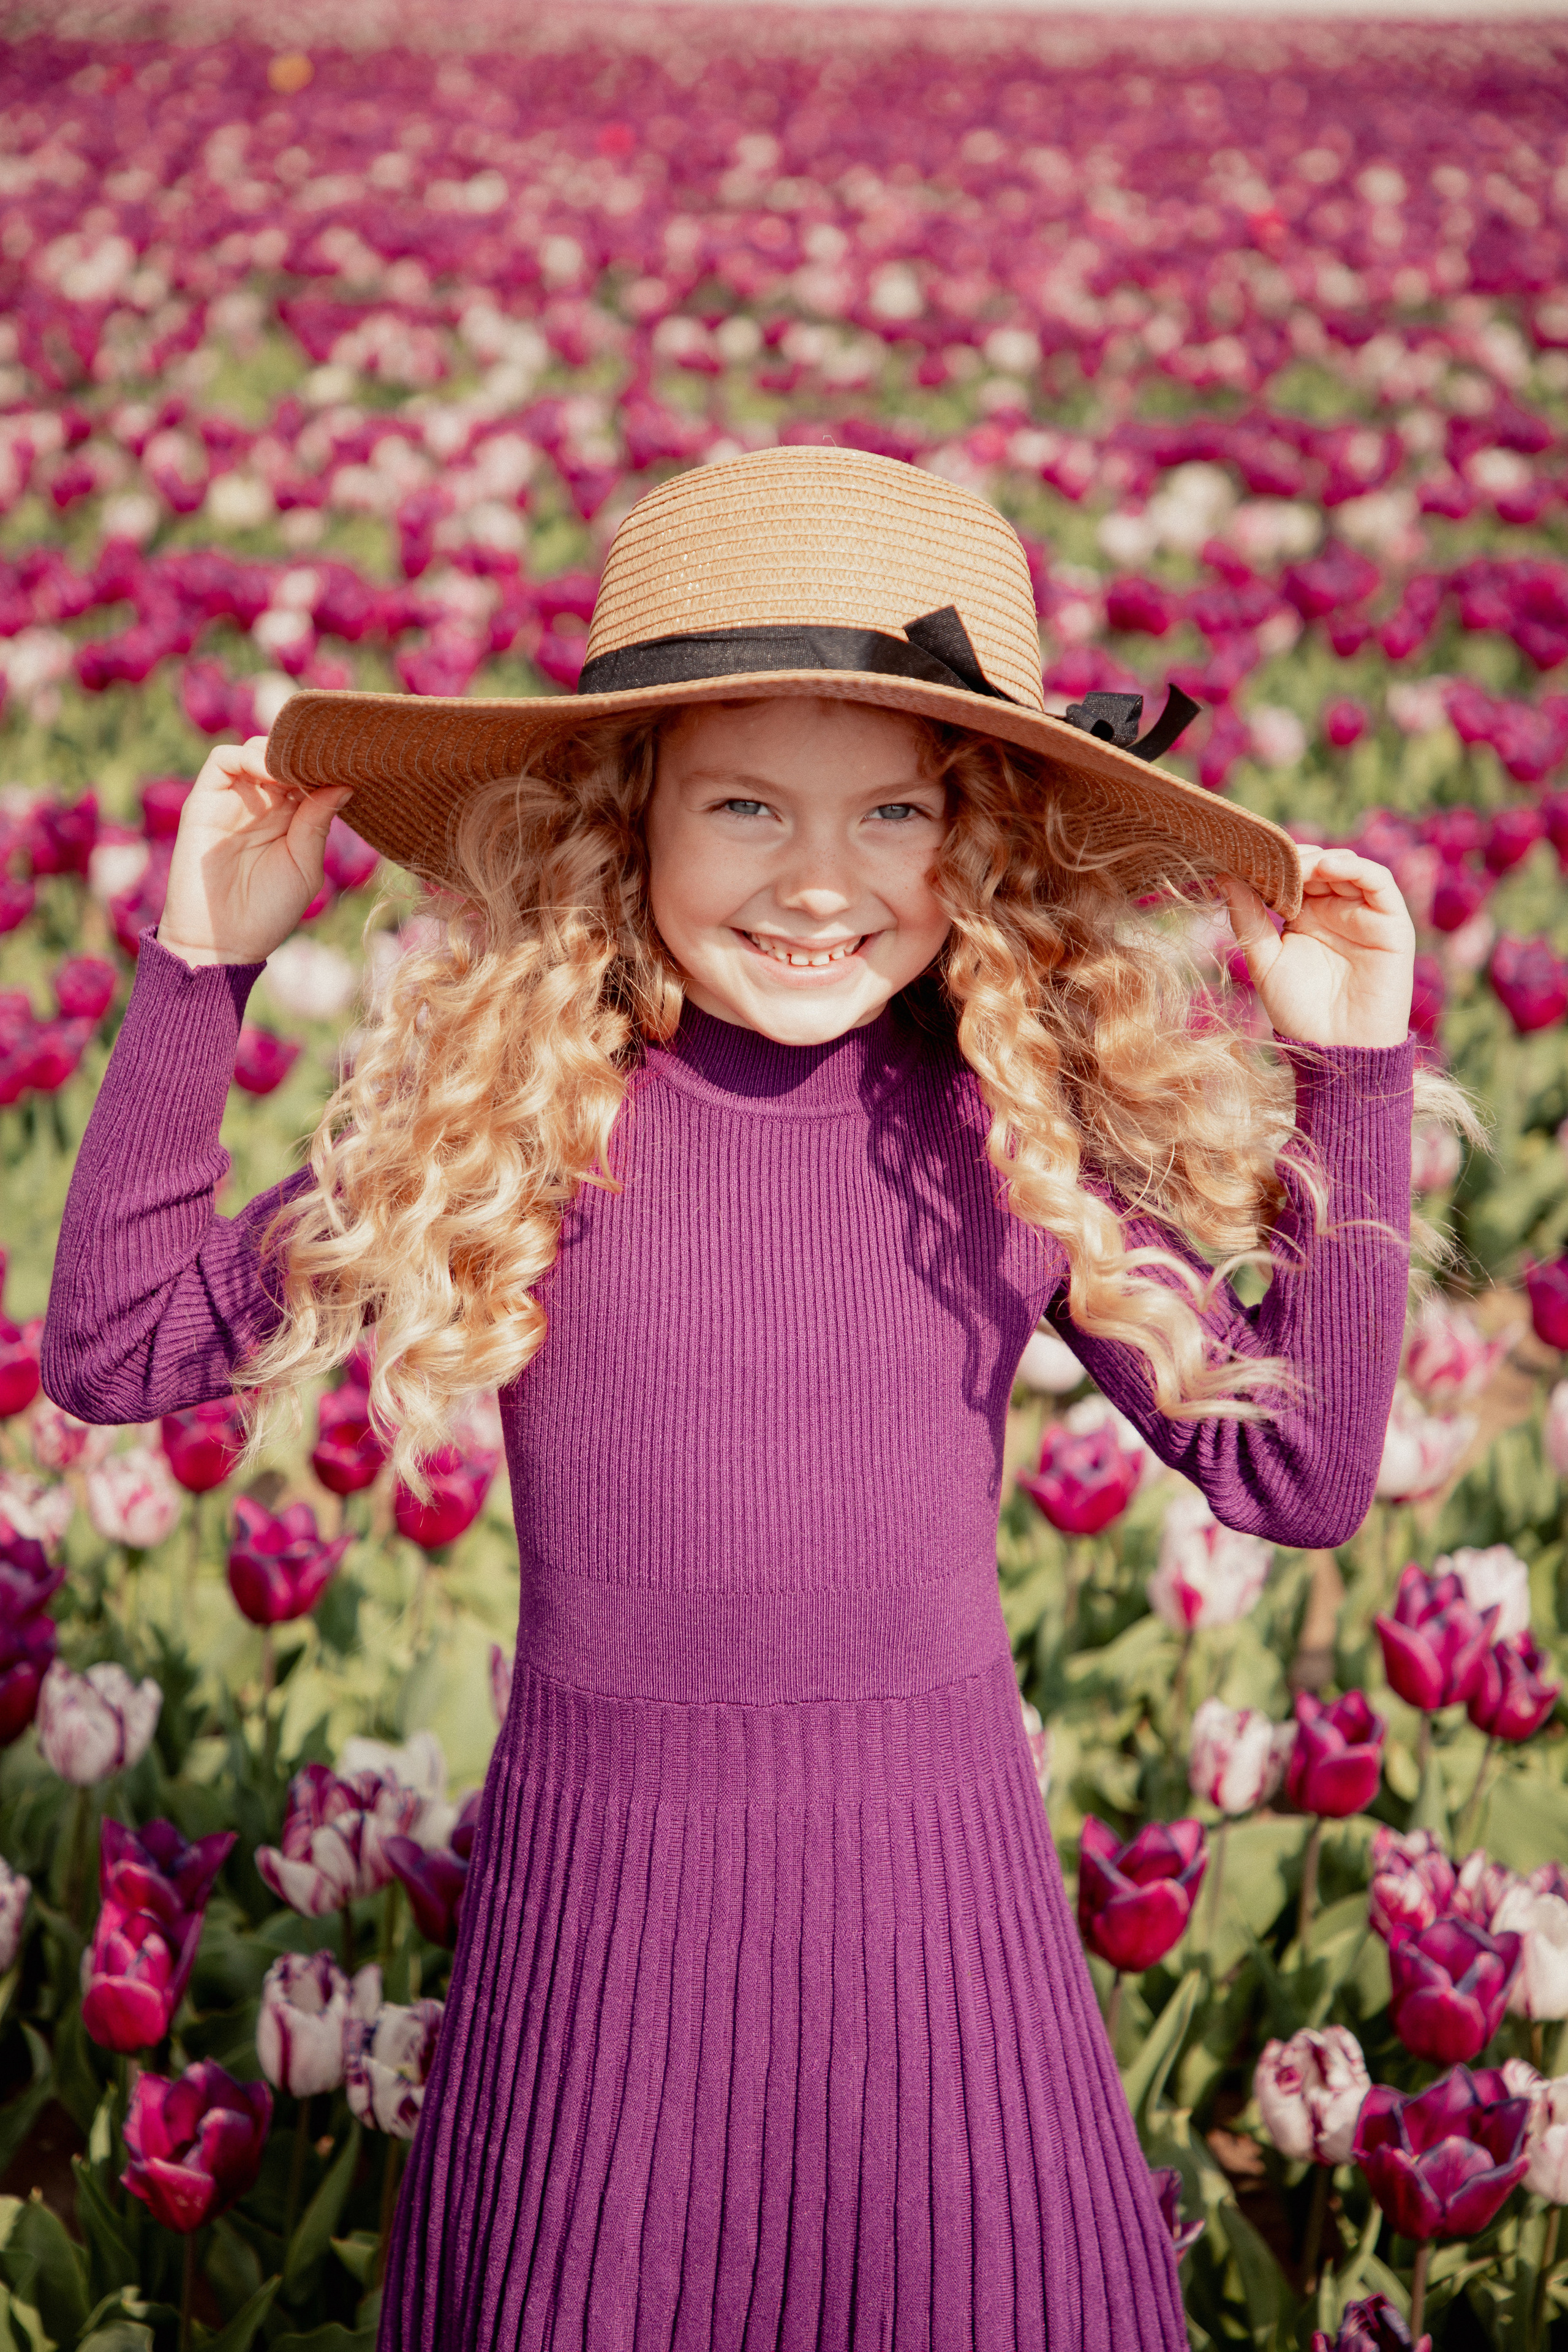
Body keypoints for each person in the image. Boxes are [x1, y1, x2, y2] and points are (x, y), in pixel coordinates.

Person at [43, 446, 1446, 2351]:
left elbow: (1298, 1474)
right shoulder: (523, 1115)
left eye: (896, 811)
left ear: (982, 840)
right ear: (625, 812)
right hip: (604, 1972)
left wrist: (1352, 1077)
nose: (820, 880)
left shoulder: (1004, 1138)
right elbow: (118, 1346)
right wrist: (204, 963)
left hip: (938, 1967)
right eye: (745, 804)